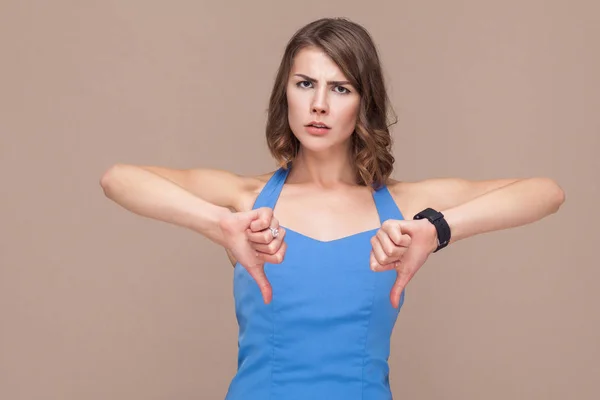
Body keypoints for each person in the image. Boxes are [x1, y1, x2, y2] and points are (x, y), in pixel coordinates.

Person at [100, 17, 565, 400]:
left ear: (365, 102)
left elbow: (545, 192)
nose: (319, 105)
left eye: (340, 89)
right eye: (305, 84)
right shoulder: (246, 201)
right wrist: (218, 225)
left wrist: (436, 229)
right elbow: (117, 179)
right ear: (286, 93)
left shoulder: (399, 207)